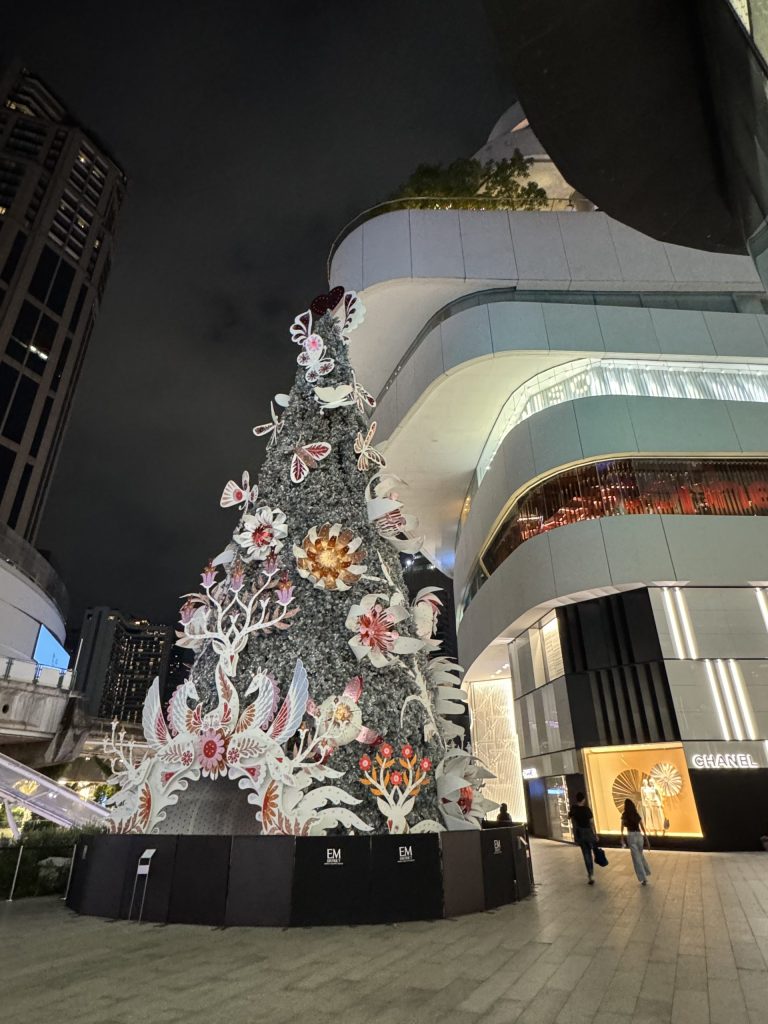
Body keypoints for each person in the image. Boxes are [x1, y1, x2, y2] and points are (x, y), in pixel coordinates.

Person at [568, 792, 597, 884]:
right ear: (583, 799)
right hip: (588, 832)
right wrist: (595, 834)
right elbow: (591, 822)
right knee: (590, 851)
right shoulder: (587, 809)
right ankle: (591, 872)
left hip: (580, 833)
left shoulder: (574, 809)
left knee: (585, 853)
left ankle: (590, 875)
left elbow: (569, 817)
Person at [621, 798, 652, 885]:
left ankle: (643, 878)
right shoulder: (636, 814)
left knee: (636, 858)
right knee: (640, 855)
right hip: (639, 836)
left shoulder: (625, 815)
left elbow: (622, 826)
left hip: (631, 836)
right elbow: (642, 826)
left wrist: (622, 838)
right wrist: (646, 839)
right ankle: (646, 872)